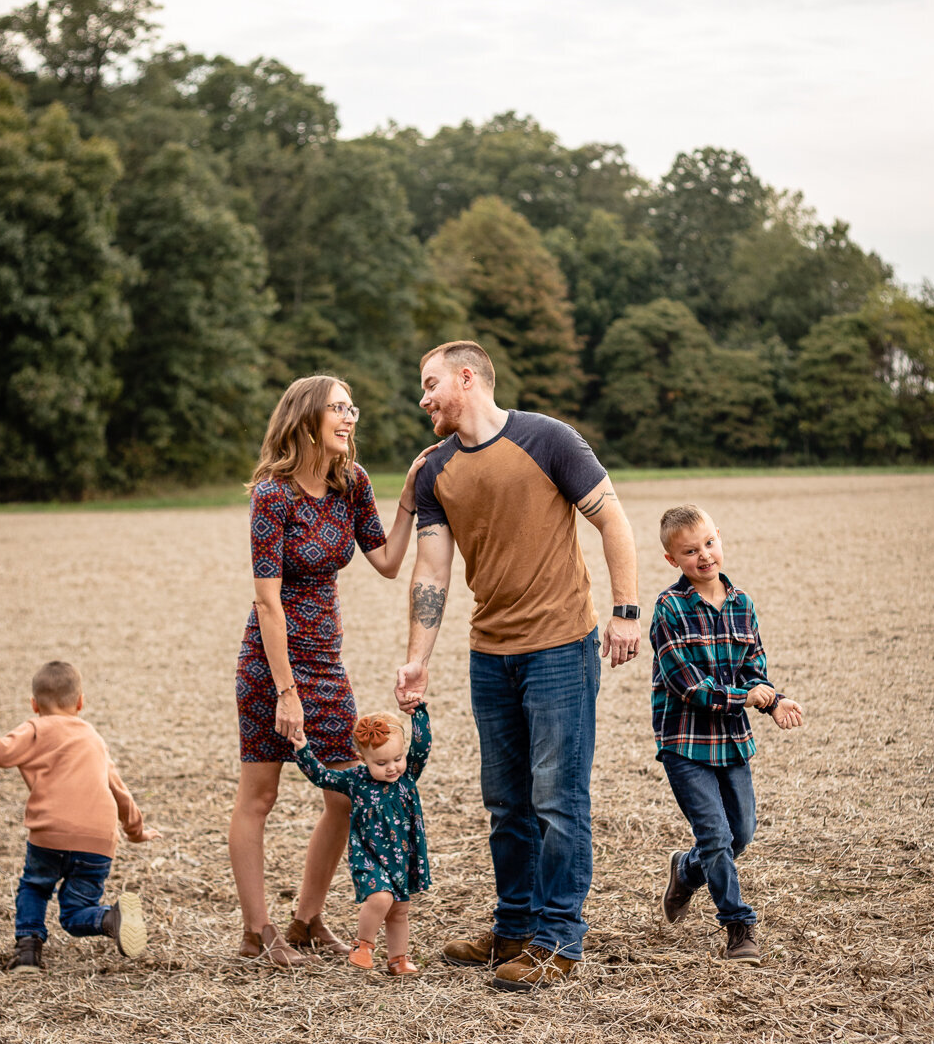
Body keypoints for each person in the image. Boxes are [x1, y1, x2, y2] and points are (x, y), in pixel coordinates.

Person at [395, 340, 641, 993]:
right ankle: (514, 925)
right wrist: (416, 661)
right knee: (505, 803)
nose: (422, 399)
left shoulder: (548, 438)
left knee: (557, 801)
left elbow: (610, 517)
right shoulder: (434, 472)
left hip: (560, 648)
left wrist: (625, 609)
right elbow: (430, 571)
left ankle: (558, 937)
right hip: (489, 655)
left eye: (429, 384)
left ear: (466, 378)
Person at [230, 374, 433, 967]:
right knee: (259, 795)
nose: (350, 417)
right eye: (338, 408)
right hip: (271, 665)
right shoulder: (273, 495)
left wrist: (411, 496)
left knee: (346, 796)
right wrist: (285, 690)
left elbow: (389, 562)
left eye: (353, 408)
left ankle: (306, 919)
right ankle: (256, 930)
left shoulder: (352, 483)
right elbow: (268, 602)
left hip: (327, 660)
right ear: (307, 418)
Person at [0, 660, 160, 977]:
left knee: (34, 889)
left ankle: (27, 955)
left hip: (50, 834)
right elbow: (118, 790)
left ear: (34, 705)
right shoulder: (94, 738)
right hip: (98, 841)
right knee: (76, 912)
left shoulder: (35, 729)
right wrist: (136, 830)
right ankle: (109, 919)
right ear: (80, 702)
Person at [651, 505, 804, 963]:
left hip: (731, 741)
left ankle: (686, 869)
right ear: (672, 559)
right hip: (684, 742)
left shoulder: (743, 604)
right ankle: (739, 927)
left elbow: (756, 670)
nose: (704, 556)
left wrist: (773, 701)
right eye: (690, 551)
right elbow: (689, 686)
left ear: (720, 538)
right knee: (716, 835)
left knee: (740, 833)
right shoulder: (669, 607)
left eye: (709, 544)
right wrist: (749, 698)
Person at [291, 706, 431, 977]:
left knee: (400, 910)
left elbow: (422, 744)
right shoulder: (355, 781)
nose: (392, 768)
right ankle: (363, 944)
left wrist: (418, 712)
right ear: (361, 758)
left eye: (397, 759)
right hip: (370, 856)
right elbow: (322, 776)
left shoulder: (408, 776)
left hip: (402, 856)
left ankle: (397, 959)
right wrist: (303, 750)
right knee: (380, 898)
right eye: (381, 763)